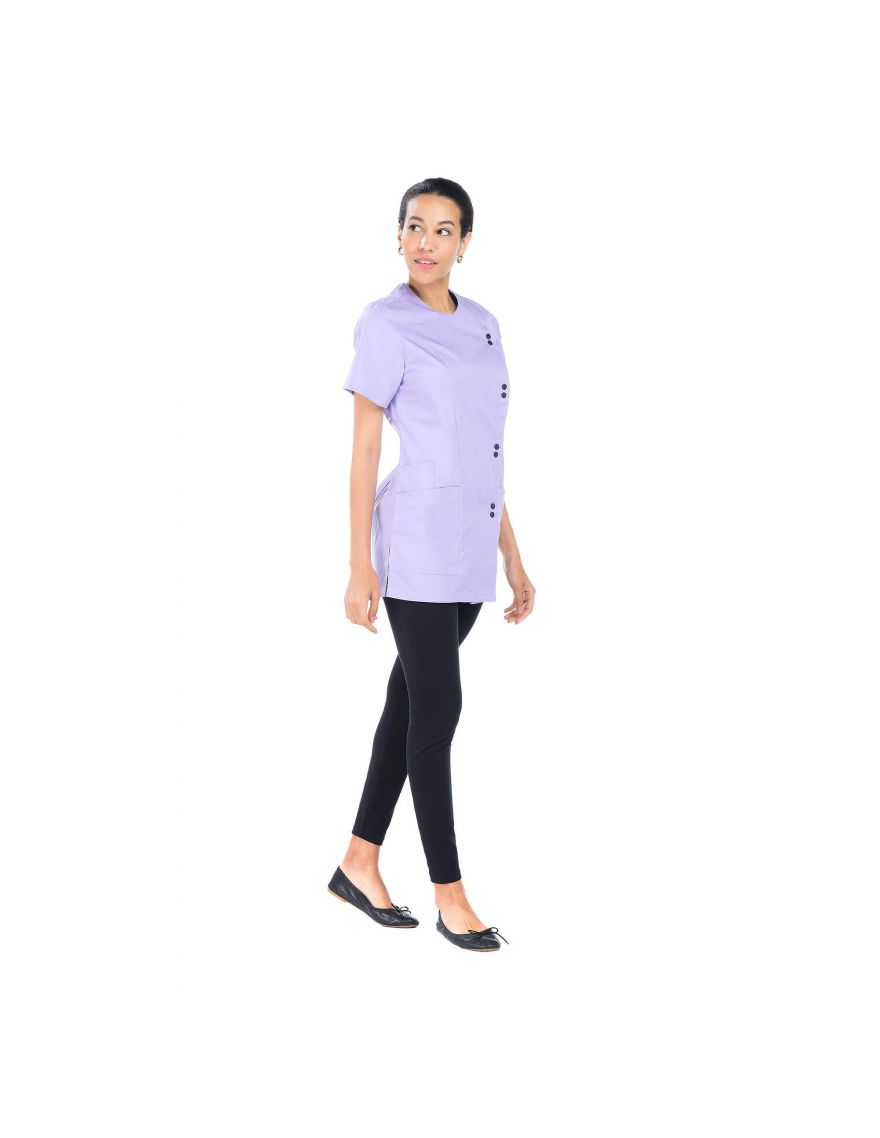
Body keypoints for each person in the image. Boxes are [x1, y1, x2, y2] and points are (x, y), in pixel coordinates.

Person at [329, 177, 535, 952]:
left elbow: (487, 452)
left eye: (443, 230)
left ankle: (358, 863)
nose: (426, 242)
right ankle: (451, 895)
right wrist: (359, 563)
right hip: (416, 542)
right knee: (438, 712)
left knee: (408, 706)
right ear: (398, 235)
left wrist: (513, 555)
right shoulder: (386, 324)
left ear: (464, 244)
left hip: (471, 546)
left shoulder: (483, 326)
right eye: (414, 226)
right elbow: (364, 449)